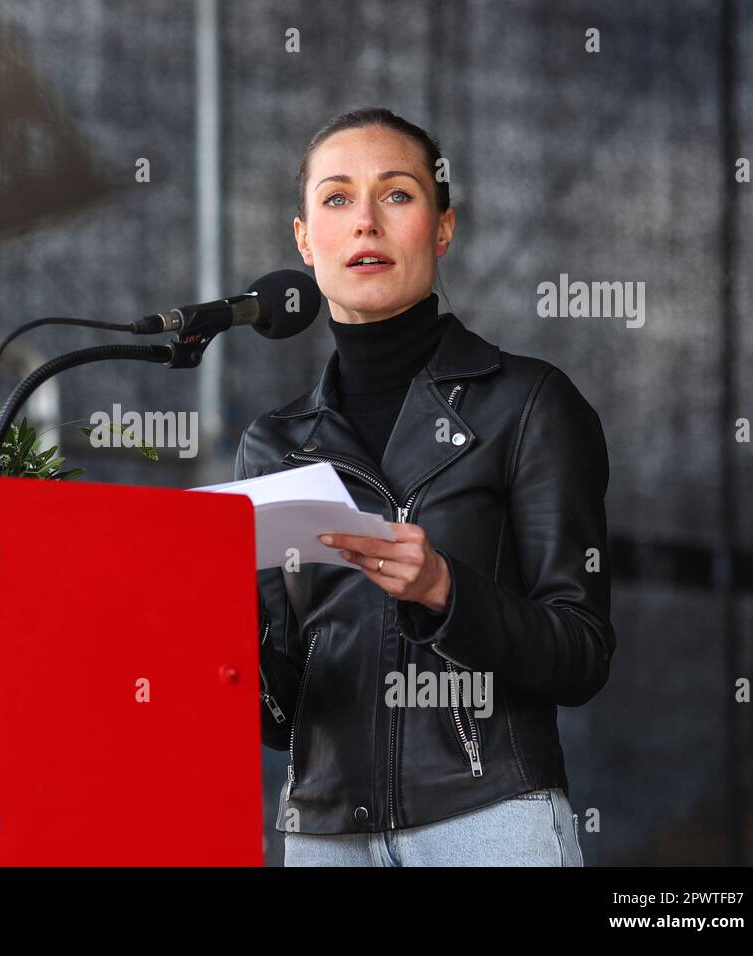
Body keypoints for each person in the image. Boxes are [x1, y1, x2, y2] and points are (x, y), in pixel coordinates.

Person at [236, 107, 613, 866]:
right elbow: (284, 710)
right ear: (305, 240)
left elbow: (582, 652)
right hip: (322, 836)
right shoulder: (272, 446)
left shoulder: (529, 403)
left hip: (491, 821)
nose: (365, 223)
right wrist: (215, 650)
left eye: (398, 195)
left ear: (443, 227)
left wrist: (446, 590)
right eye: (337, 199)